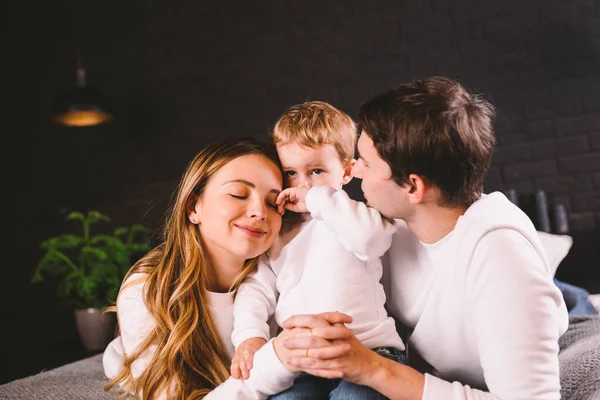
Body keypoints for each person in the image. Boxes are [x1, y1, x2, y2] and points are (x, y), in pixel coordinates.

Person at [275, 77, 569, 399]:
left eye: (368, 164)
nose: (355, 172)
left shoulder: (500, 256)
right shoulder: (390, 228)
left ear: (413, 187)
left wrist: (374, 368)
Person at [229, 101, 406, 399]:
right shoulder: (277, 232)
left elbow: (371, 241)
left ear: (347, 171)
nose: (304, 184)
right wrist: (250, 336)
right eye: (291, 173)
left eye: (317, 171)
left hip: (368, 349)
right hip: (300, 361)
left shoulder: (358, 217)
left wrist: (317, 200)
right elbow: (256, 289)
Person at [102, 138, 302, 399]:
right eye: (238, 194)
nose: (259, 212)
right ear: (193, 207)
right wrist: (276, 362)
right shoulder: (148, 288)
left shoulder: (281, 279)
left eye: (272, 202)